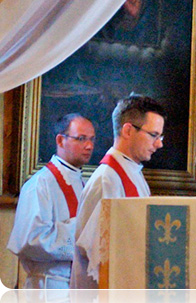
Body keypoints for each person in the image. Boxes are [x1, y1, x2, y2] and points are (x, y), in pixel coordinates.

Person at [70, 94, 166, 288]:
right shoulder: (108, 179)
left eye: (160, 136)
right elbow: (98, 251)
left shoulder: (132, 172)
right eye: (154, 135)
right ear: (128, 130)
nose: (159, 144)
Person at [7, 114, 95, 289]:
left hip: (76, 289)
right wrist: (83, 230)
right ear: (61, 140)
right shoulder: (40, 184)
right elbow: (30, 240)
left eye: (92, 139)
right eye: (81, 139)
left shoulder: (82, 182)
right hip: (49, 288)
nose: (89, 146)